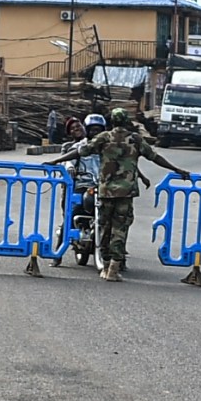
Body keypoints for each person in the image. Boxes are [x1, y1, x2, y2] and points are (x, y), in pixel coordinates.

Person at [54, 107, 191, 282]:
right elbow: (155, 157)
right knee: (120, 229)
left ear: (111, 122)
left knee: (103, 226)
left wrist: (56, 160)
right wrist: (176, 169)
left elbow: (80, 151)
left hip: (105, 190)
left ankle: (103, 261)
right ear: (127, 122)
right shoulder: (135, 140)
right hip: (126, 192)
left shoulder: (104, 138)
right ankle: (113, 267)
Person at [65, 112, 107, 265]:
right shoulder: (79, 146)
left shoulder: (107, 147)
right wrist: (70, 167)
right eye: (92, 129)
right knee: (73, 210)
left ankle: (118, 255)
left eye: (99, 129)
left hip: (103, 186)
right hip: (83, 184)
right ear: (87, 130)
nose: (95, 133)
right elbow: (69, 158)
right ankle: (59, 251)